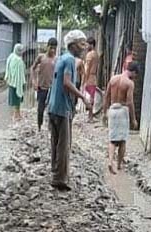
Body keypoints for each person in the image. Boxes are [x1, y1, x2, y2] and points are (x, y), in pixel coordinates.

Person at [48, 30, 92, 191]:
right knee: (63, 144)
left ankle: (56, 173)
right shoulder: (69, 60)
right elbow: (66, 83)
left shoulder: (61, 58)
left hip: (53, 106)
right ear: (73, 45)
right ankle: (60, 178)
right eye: (81, 43)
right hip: (61, 107)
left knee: (55, 142)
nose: (84, 47)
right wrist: (83, 98)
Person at [103, 61, 140, 174]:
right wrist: (133, 118)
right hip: (122, 110)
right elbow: (129, 102)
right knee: (122, 140)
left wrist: (105, 112)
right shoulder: (129, 83)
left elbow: (106, 96)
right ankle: (119, 165)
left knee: (112, 139)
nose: (135, 77)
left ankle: (110, 161)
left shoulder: (113, 79)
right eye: (135, 75)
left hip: (113, 110)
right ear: (133, 72)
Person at [31, 38, 58, 131]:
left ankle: (50, 127)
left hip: (52, 89)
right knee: (40, 109)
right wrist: (34, 81)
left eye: (54, 48)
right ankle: (39, 126)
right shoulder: (41, 57)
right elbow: (32, 68)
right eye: (51, 48)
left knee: (52, 110)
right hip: (42, 87)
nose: (53, 50)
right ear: (47, 47)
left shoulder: (57, 59)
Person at [5, 44, 26, 121]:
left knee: (14, 98)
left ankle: (16, 114)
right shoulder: (19, 60)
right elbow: (20, 73)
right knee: (17, 98)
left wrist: (7, 77)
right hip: (18, 82)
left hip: (11, 81)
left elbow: (8, 68)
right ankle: (16, 115)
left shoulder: (11, 57)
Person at [83, 37, 98, 122]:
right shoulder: (96, 54)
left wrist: (84, 80)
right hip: (93, 77)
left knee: (89, 98)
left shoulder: (90, 55)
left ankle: (90, 116)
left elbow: (87, 68)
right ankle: (90, 116)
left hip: (89, 78)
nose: (86, 46)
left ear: (91, 45)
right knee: (91, 97)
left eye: (87, 44)